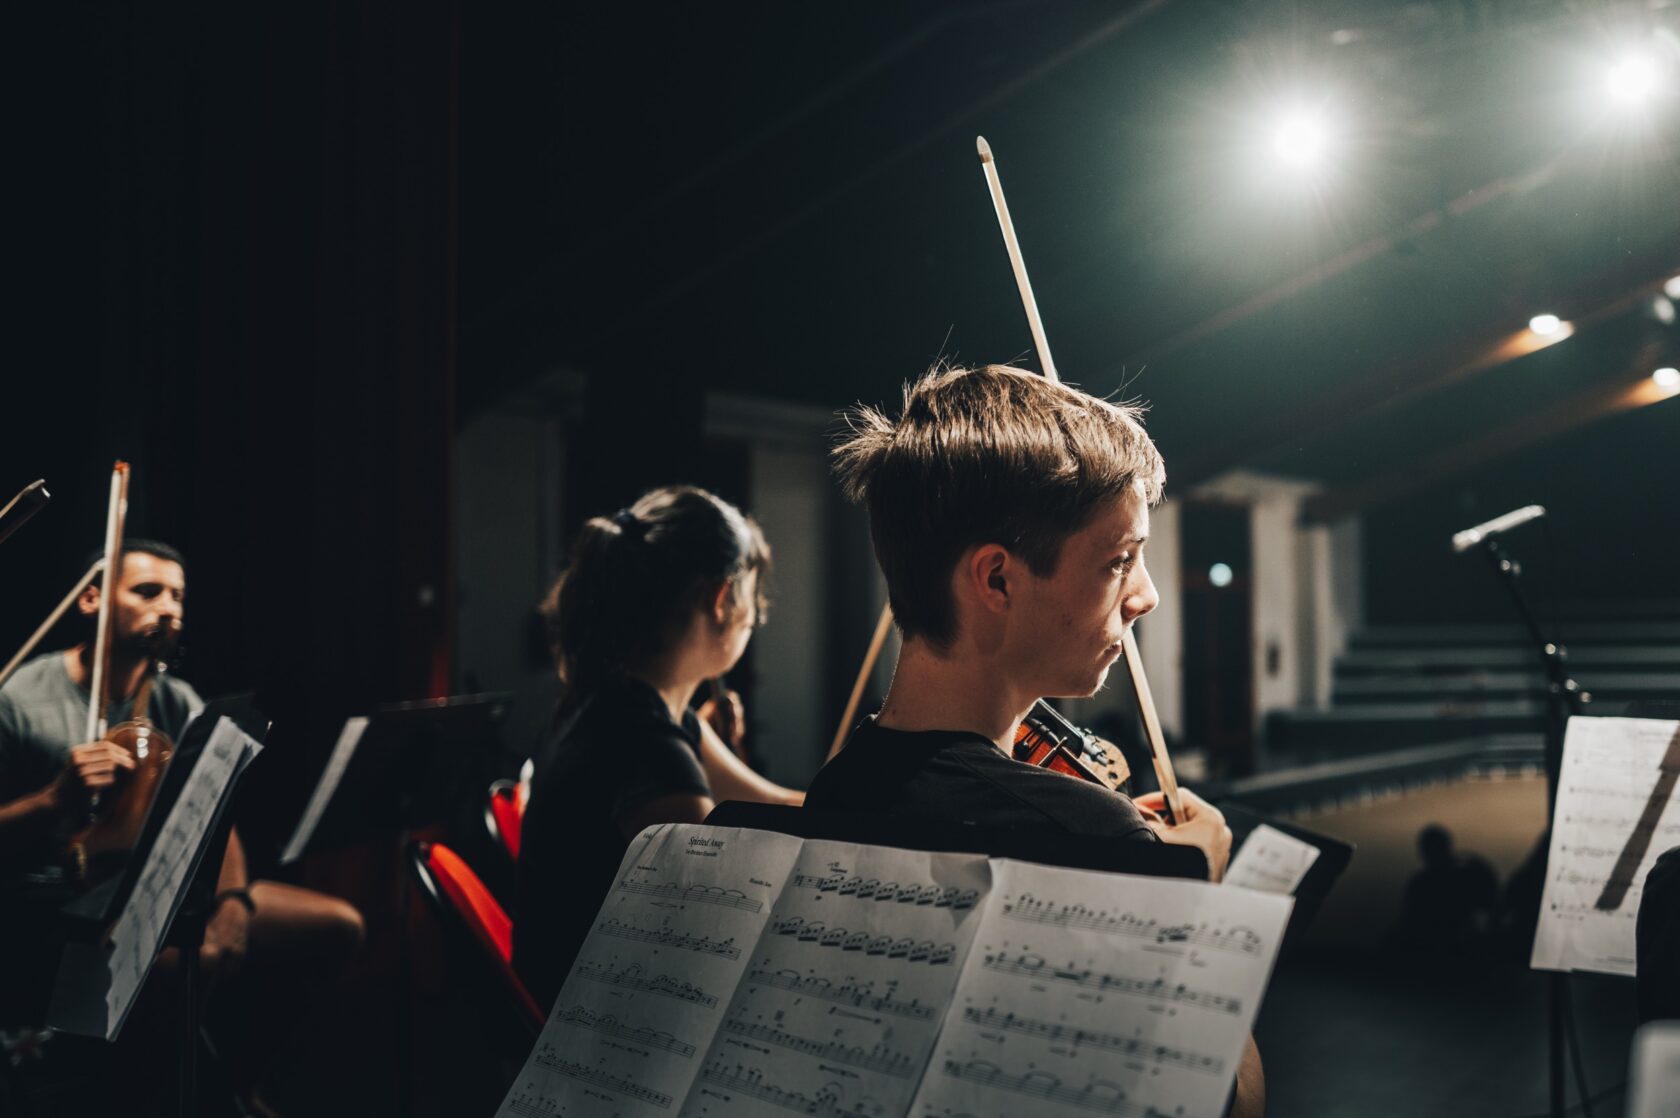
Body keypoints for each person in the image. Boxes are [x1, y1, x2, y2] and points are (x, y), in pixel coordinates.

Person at [809, 364, 1261, 1116]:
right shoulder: (1082, 830)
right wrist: (1197, 898)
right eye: (1118, 560)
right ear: (996, 582)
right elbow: (1230, 1101)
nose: (1144, 595)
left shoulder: (836, 787)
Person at [0, 539, 362, 1113]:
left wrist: (235, 903)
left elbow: (221, 814)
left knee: (338, 926)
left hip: (161, 890)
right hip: (62, 907)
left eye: (178, 596)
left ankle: (239, 1083)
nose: (168, 607)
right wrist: (54, 800)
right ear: (92, 599)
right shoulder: (20, 699)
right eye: (147, 592)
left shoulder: (177, 699)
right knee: (185, 966)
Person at [514, 486, 803, 1010]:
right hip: (591, 1035)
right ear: (720, 599)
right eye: (754, 599)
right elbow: (721, 913)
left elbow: (775, 803)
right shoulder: (645, 745)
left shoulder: (634, 708)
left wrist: (868, 797)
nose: (756, 618)